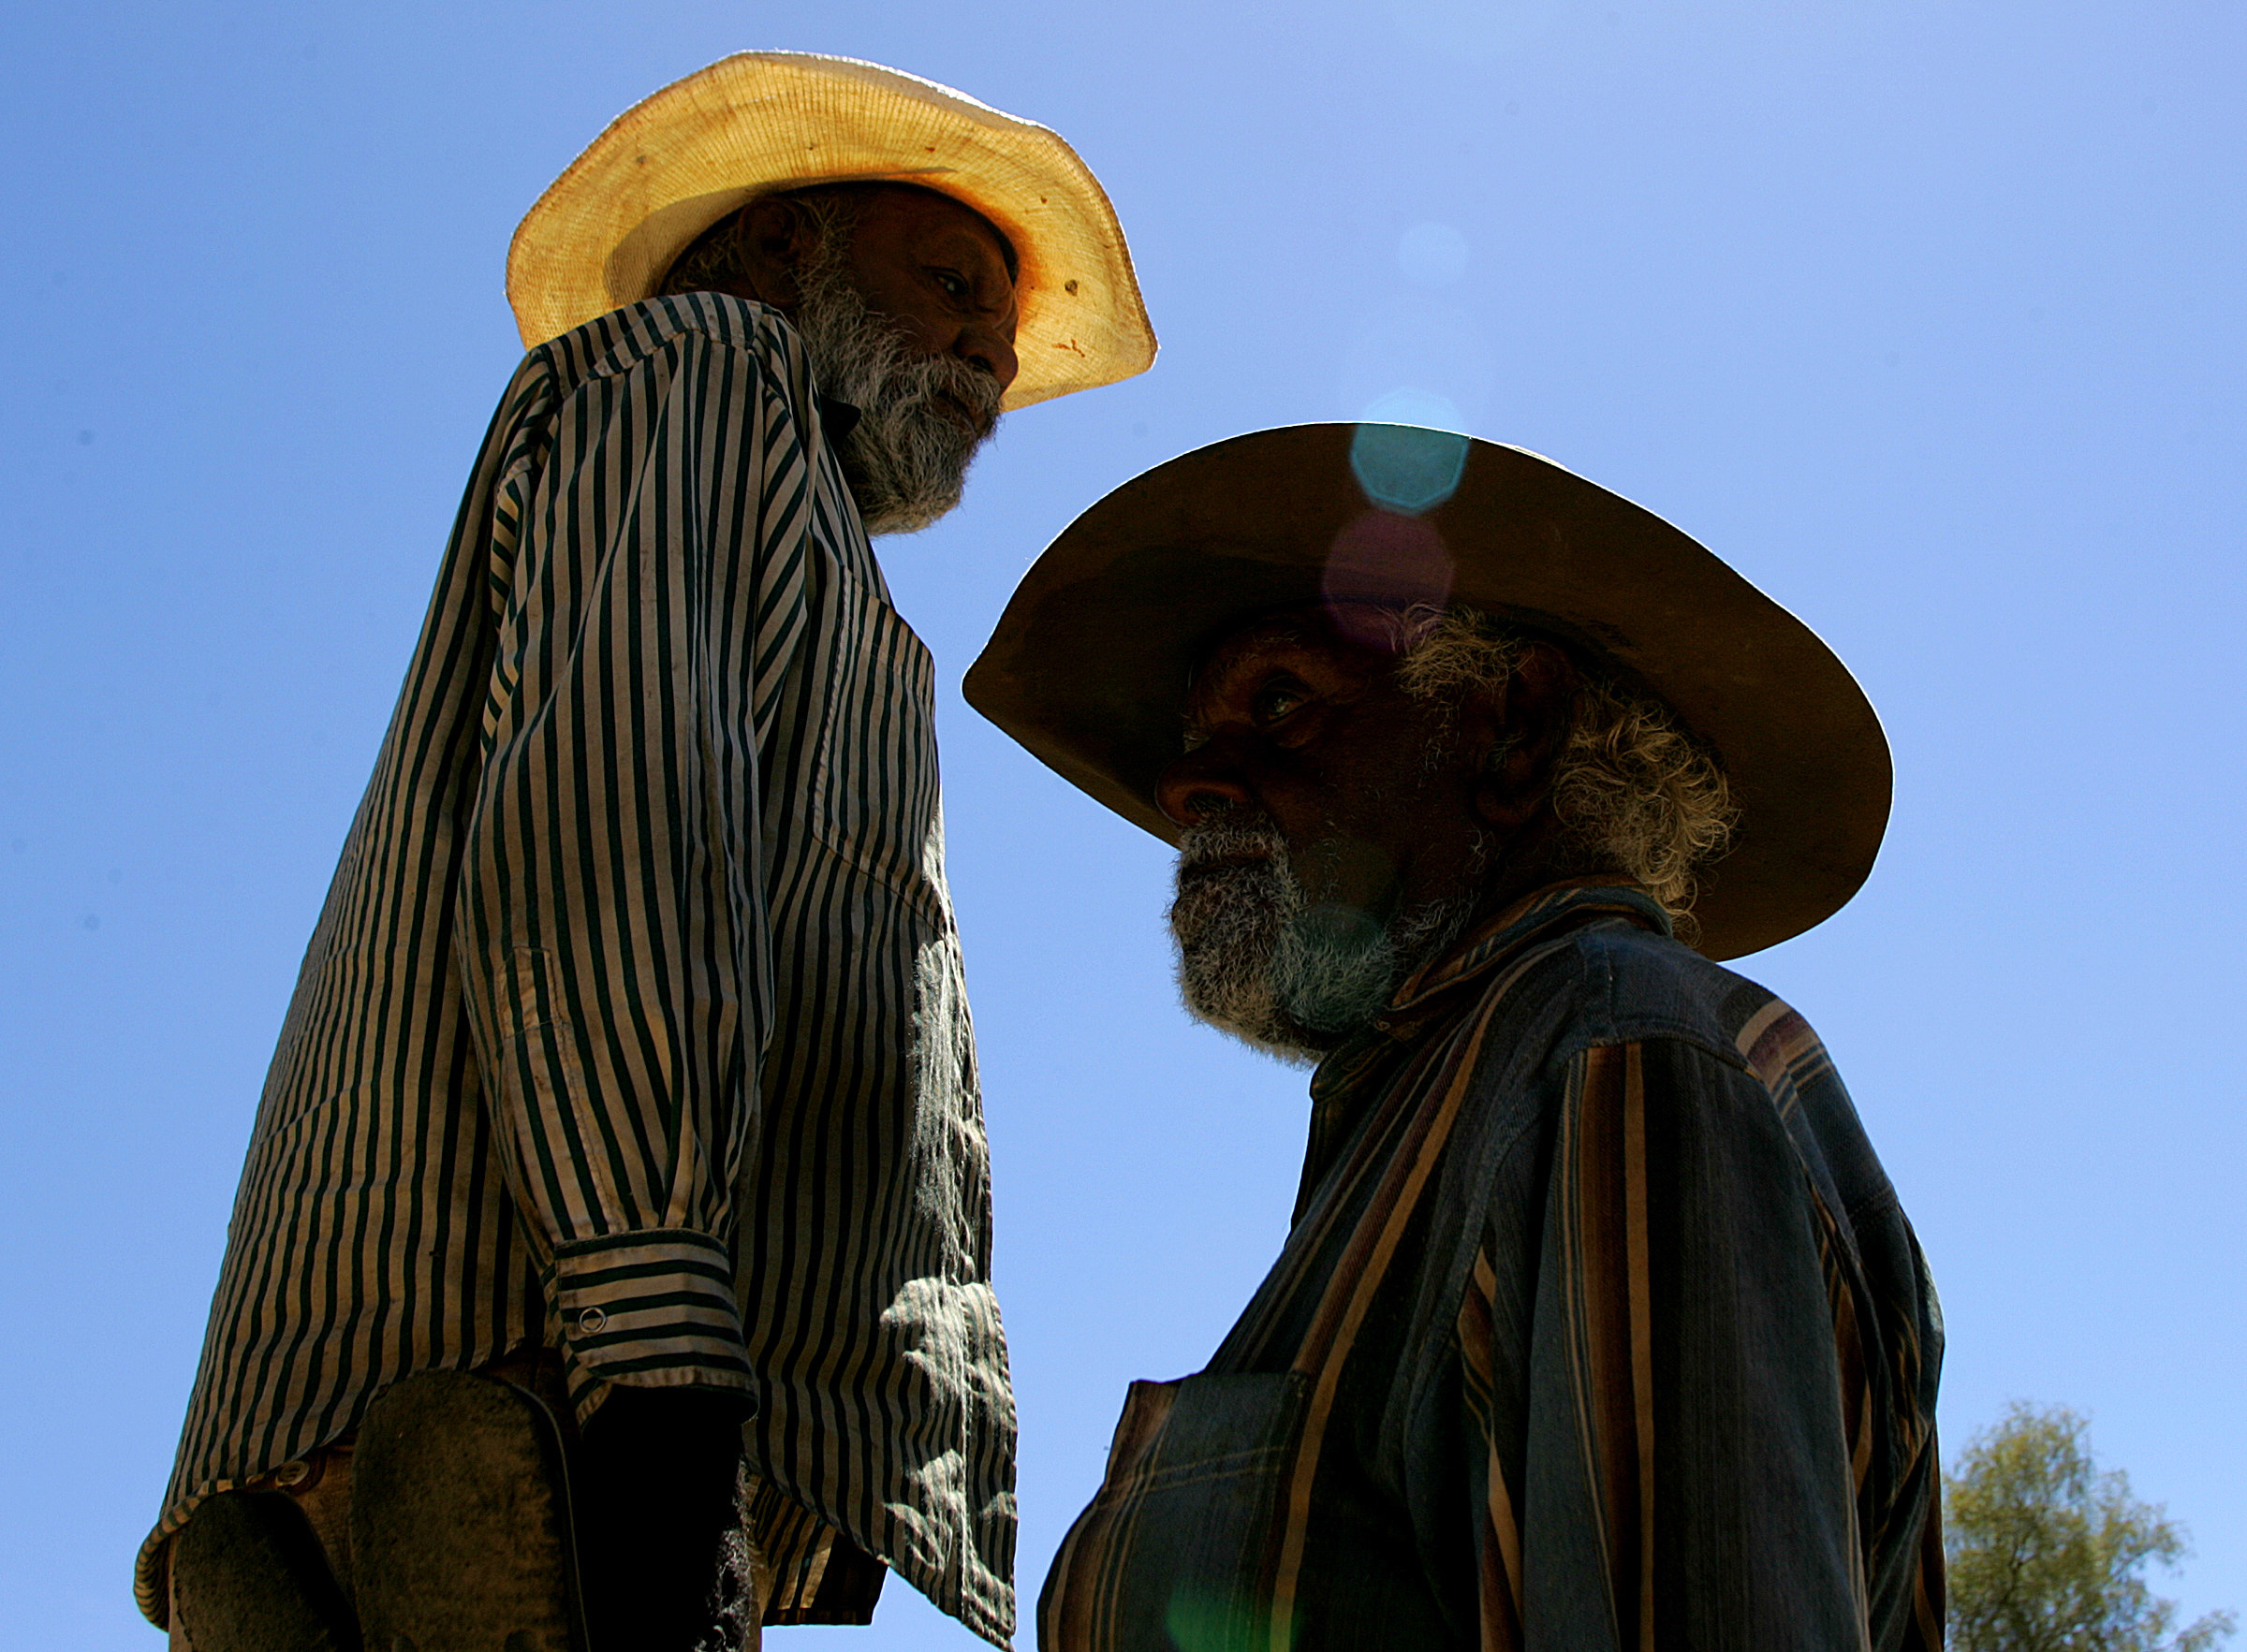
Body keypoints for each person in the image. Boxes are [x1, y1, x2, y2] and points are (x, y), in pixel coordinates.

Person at [143, 52, 1154, 1652]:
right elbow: (616, 829)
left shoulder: (794, 521)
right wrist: (665, 1370)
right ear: (777, 255)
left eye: (1004, 328)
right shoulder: (702, 373)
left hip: (559, 1394)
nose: (985, 343)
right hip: (525, 1396)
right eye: (949, 281)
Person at [964, 423, 1946, 1650]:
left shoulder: (1616, 1057)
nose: (1190, 785)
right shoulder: (1468, 1091)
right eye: (1194, 739)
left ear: (1517, 726)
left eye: (1281, 700)